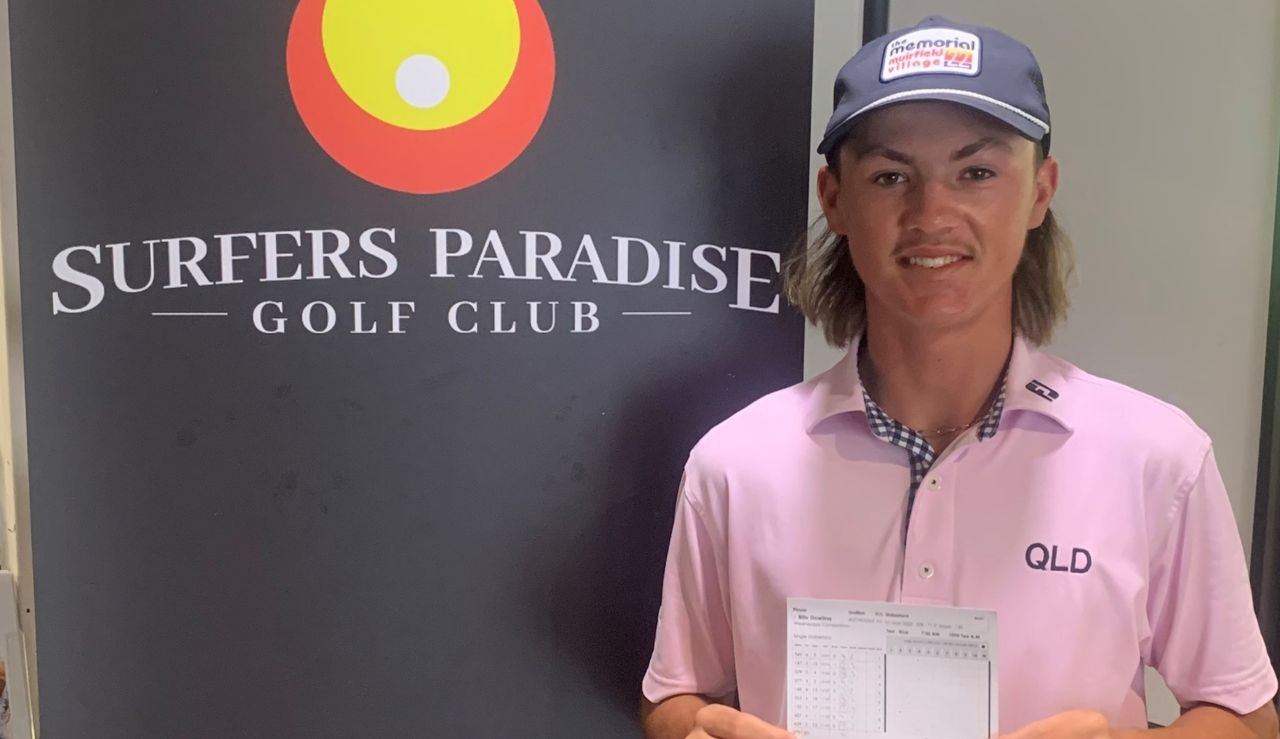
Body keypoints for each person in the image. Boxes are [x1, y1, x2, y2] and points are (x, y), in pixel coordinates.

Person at [639, 16, 1280, 739]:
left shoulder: (1157, 459)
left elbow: (1249, 719)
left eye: (976, 172)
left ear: (1040, 191)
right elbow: (673, 697)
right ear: (835, 198)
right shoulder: (734, 462)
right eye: (890, 176)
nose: (931, 213)